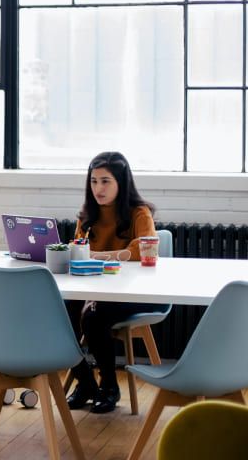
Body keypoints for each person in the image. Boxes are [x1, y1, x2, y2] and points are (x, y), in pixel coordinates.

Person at [65, 151, 160, 414]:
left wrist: (99, 256)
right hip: (92, 288)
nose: (98, 188)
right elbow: (78, 250)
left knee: (93, 316)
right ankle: (84, 382)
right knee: (59, 312)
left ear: (121, 182)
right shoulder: (86, 216)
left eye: (105, 181)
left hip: (132, 292)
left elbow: (143, 250)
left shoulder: (139, 213)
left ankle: (109, 386)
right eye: (94, 181)